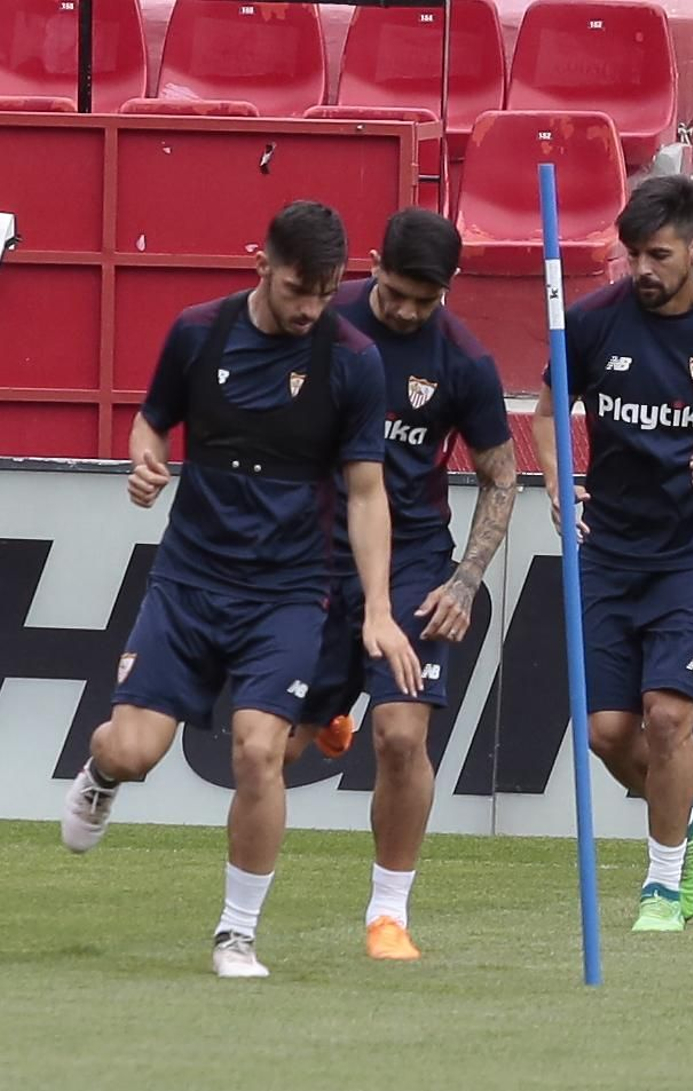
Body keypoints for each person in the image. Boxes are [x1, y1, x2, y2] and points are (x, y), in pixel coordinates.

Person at [60, 200, 420, 978]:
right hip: (190, 581)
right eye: (298, 288)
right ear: (262, 263)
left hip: (289, 592)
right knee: (133, 748)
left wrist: (380, 610)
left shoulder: (352, 361)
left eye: (325, 292)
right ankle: (100, 777)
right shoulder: (199, 332)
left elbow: (365, 493)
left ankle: (236, 933)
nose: (310, 308)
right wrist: (146, 461)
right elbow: (150, 423)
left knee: (260, 749)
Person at [531, 176, 693, 932]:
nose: (641, 268)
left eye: (658, 254)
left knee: (668, 717)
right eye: (632, 254)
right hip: (607, 550)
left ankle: (663, 884)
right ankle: (689, 813)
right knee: (608, 733)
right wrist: (555, 478)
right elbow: (549, 413)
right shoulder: (590, 323)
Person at [280, 208, 516, 960]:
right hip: (314, 550)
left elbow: (501, 474)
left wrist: (465, 579)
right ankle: (328, 710)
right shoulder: (322, 321)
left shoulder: (463, 362)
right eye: (397, 293)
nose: (410, 310)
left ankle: (388, 912)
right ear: (373, 264)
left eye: (428, 297)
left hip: (414, 557)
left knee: (401, 733)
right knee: (274, 748)